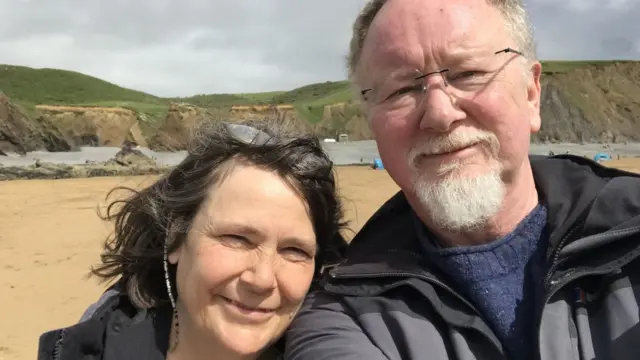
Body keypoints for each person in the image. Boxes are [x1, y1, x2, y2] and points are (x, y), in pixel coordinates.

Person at [284, 1, 640, 359]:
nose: (440, 114)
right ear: (371, 120)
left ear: (532, 94)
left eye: (467, 73)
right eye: (401, 89)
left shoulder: (632, 231)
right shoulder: (343, 315)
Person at [37, 119, 348, 360]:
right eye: (237, 238)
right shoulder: (90, 348)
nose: (262, 280)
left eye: (294, 250)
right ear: (175, 239)